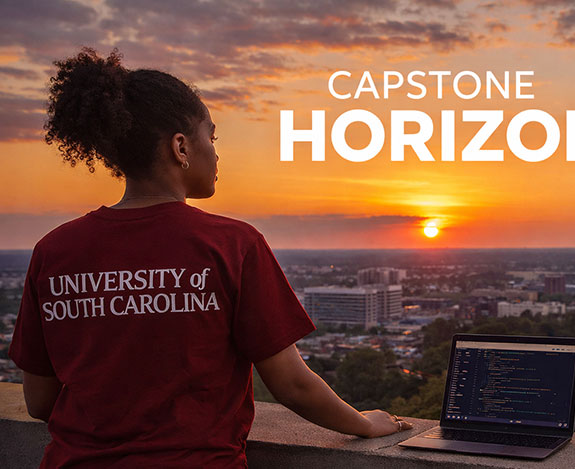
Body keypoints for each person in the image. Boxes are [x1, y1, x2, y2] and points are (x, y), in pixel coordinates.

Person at [9, 47, 412, 468]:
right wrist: (366, 425)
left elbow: (39, 401)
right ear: (180, 146)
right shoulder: (233, 245)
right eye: (212, 137)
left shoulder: (53, 251)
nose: (217, 153)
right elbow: (291, 385)